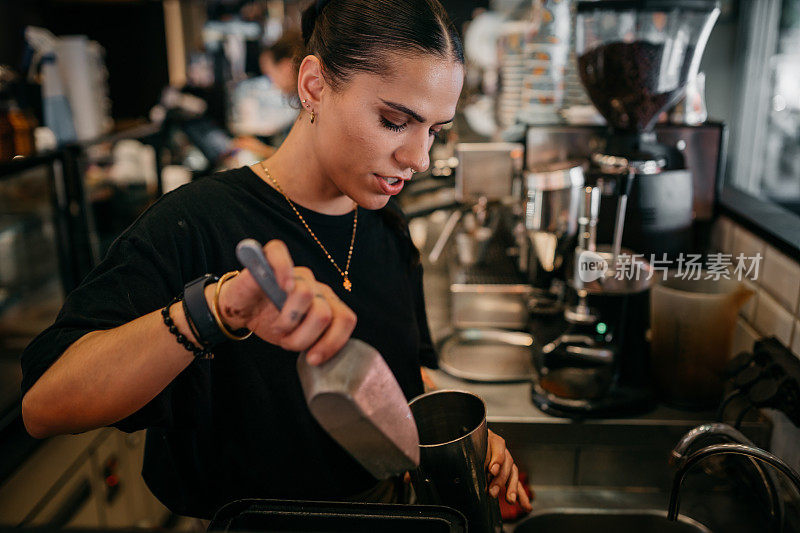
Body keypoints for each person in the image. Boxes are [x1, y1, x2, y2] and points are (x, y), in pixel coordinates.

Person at [20, 0, 533, 520]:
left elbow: (403, 372)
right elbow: (44, 406)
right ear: (314, 87)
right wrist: (215, 311)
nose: (419, 158)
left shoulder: (386, 226)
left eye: (435, 130)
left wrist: (458, 438)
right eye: (395, 121)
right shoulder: (197, 223)